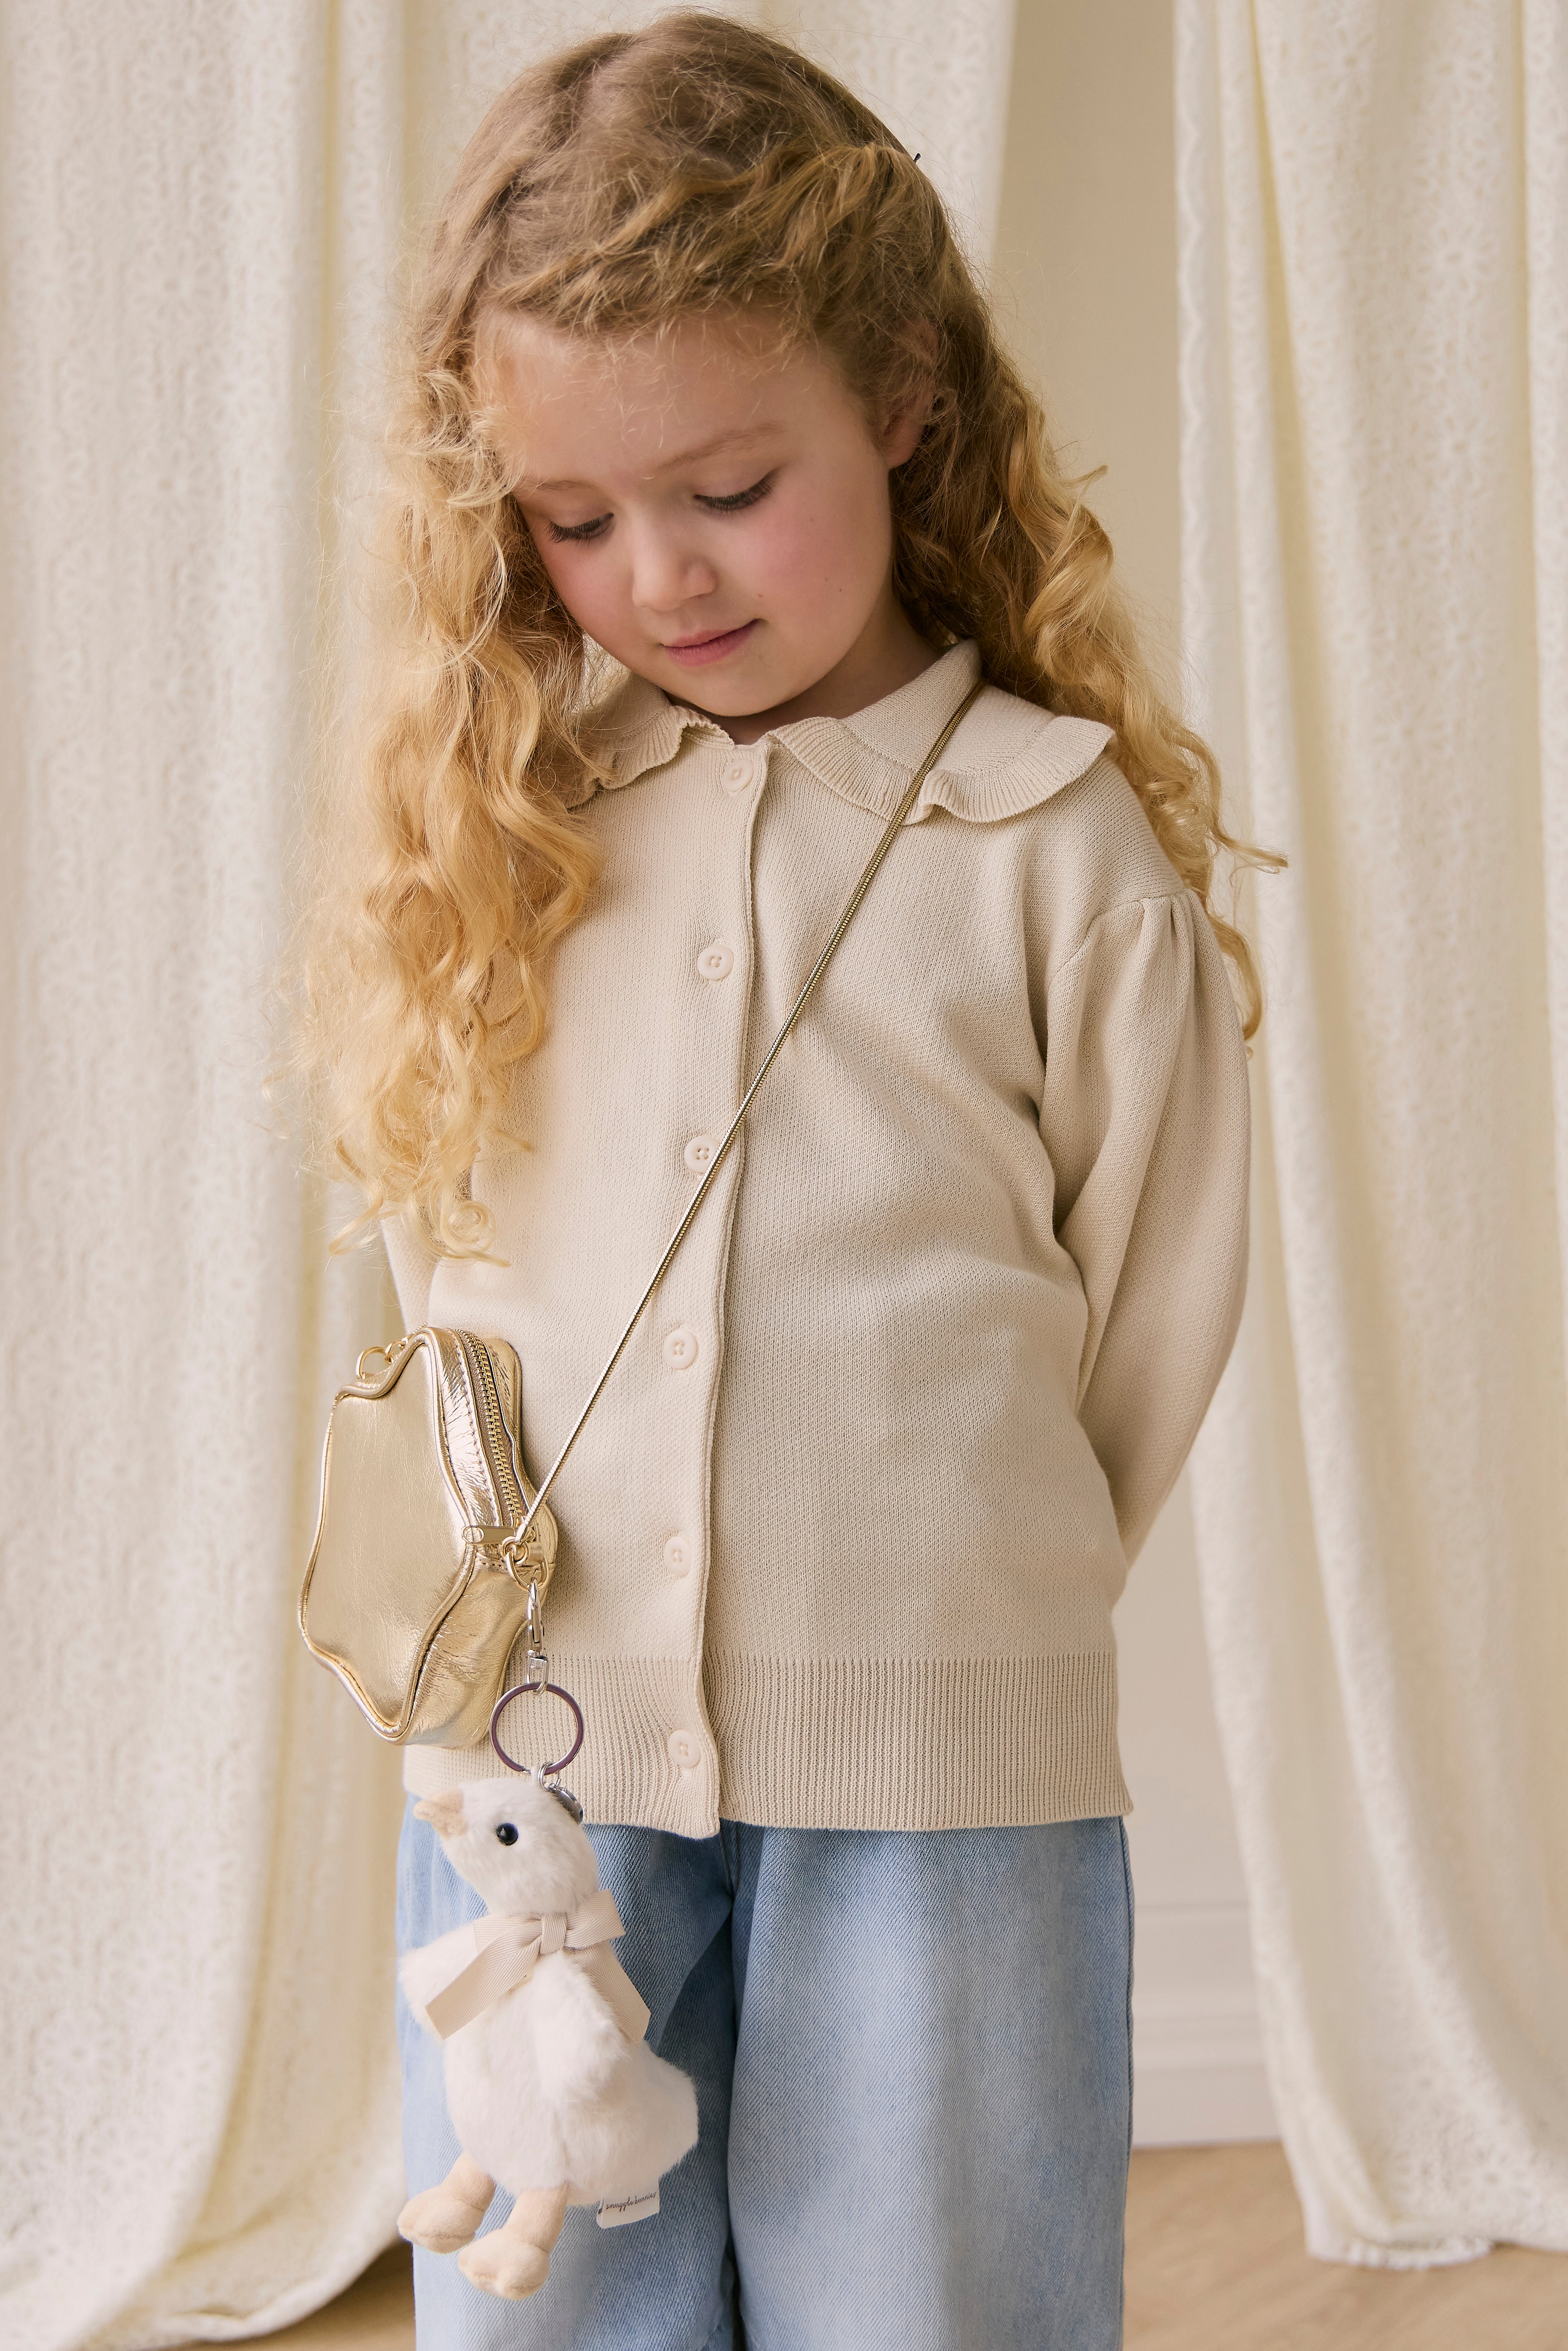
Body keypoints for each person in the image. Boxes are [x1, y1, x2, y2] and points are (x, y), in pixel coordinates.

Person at [299, 13, 1265, 2346]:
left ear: (904, 399)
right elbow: (445, 1268)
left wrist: (952, 1594)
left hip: (949, 1756)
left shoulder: (1051, 849)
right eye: (574, 519)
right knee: (554, 2293)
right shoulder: (514, 830)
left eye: (730, 486)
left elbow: (1147, 1310)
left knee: (936, 2302)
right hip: (543, 1755)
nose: (659, 575)